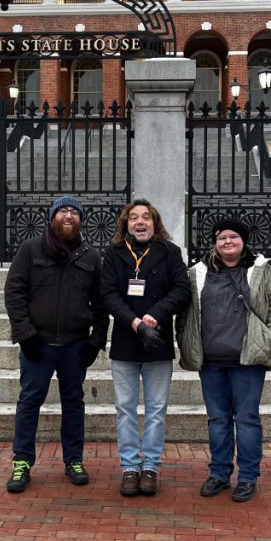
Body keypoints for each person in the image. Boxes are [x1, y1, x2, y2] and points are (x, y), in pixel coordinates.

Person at [177, 217, 271, 502]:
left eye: (233, 237)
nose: (227, 242)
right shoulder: (197, 273)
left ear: (243, 241)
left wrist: (270, 339)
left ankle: (248, 477)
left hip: (248, 360)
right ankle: (218, 474)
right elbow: (185, 314)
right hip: (212, 360)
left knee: (247, 419)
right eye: (221, 238)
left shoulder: (262, 271)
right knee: (217, 419)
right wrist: (186, 342)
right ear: (215, 243)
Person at [4, 194, 109, 493]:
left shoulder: (90, 256)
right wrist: (25, 335)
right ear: (51, 217)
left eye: (74, 212)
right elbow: (15, 293)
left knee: (73, 403)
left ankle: (73, 460)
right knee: (29, 402)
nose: (68, 216)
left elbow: (101, 303)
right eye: (62, 210)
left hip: (75, 345)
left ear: (80, 220)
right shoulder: (31, 249)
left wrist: (96, 341)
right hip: (39, 343)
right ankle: (22, 461)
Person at [101, 199, 191, 497]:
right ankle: (129, 468)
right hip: (126, 343)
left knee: (156, 411)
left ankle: (150, 466)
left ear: (155, 222)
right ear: (125, 224)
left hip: (158, 341)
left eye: (146, 217)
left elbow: (182, 290)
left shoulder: (170, 252)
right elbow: (108, 295)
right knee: (125, 409)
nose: (140, 222)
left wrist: (155, 315)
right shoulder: (113, 254)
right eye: (133, 218)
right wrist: (135, 323)